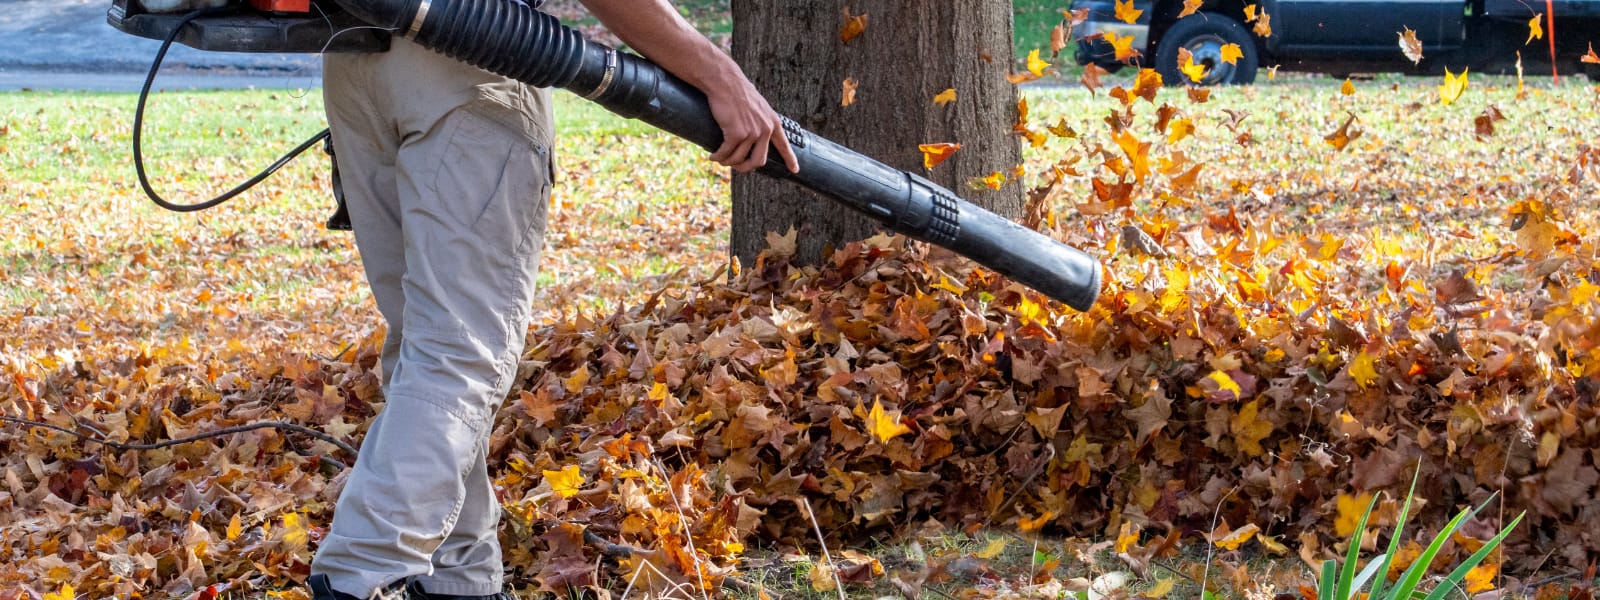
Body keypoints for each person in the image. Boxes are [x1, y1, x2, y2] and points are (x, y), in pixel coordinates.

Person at [306, 0, 799, 598]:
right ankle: (360, 572)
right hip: (469, 62)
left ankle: (461, 580)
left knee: (424, 346)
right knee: (458, 355)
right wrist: (722, 75)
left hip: (362, 60)